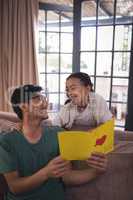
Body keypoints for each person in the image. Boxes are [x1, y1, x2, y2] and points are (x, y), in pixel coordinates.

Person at [0, 84, 107, 200]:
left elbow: (67, 177)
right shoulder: (7, 141)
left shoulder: (58, 133)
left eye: (44, 99)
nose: (45, 104)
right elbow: (15, 187)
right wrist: (46, 173)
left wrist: (96, 171)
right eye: (37, 99)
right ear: (23, 107)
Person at [0, 72, 112, 130]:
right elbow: (55, 126)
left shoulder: (97, 100)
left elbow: (107, 124)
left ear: (88, 88)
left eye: (73, 88)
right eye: (67, 90)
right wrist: (21, 125)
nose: (69, 93)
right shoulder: (68, 108)